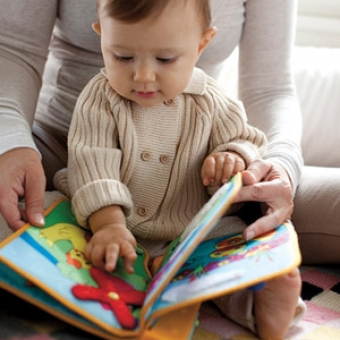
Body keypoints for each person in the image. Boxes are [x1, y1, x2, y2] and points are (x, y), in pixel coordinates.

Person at [53, 1, 304, 339]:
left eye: (165, 59)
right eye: (123, 57)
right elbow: (92, 165)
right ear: (101, 36)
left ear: (202, 44)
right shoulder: (99, 99)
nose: (142, 75)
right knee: (61, 228)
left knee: (231, 247)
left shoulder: (210, 99)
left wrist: (231, 156)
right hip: (115, 226)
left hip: (193, 228)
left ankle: (259, 298)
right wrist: (109, 224)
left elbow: (247, 139)